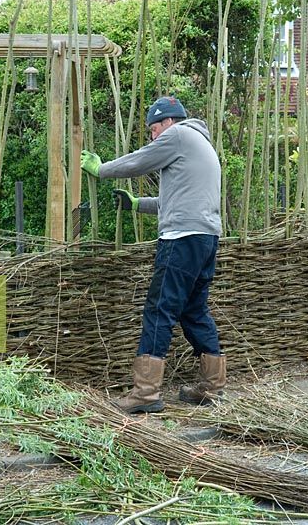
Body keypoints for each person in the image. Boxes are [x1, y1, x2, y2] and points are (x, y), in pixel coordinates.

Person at [80, 96, 225, 414]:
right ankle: (212, 387)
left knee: (159, 311)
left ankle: (145, 394)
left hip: (181, 238)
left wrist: (101, 169)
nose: (153, 136)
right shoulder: (200, 144)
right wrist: (135, 204)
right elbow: (172, 200)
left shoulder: (179, 135)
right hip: (205, 238)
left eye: (154, 129)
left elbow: (139, 161)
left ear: (168, 122)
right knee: (194, 312)